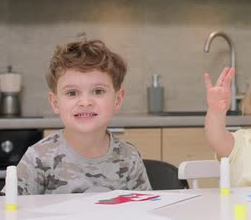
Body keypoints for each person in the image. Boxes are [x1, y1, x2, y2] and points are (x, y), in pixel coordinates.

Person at [16, 38, 151, 195]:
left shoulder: (129, 157)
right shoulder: (37, 158)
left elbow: (143, 209)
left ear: (118, 99)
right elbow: (11, 212)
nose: (85, 102)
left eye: (98, 91)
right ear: (55, 102)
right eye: (72, 93)